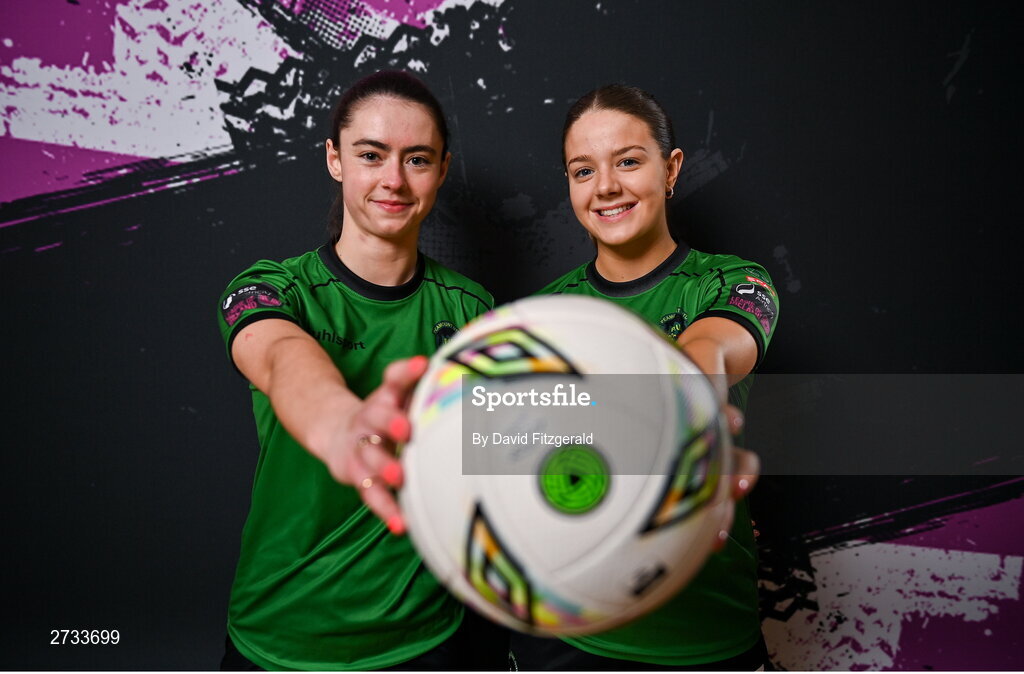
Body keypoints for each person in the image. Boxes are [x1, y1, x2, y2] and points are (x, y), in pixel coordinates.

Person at [216, 70, 506, 670]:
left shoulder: (472, 310)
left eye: (417, 159)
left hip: (436, 639)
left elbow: (506, 450)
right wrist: (341, 423)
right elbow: (277, 355)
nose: (393, 180)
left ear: (442, 169)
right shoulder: (272, 286)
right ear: (335, 159)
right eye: (371, 155)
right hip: (285, 636)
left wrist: (662, 433)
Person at [510, 84, 779, 670]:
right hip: (570, 641)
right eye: (584, 170)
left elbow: (708, 349)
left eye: (628, 161)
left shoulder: (730, 282)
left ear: (672, 168)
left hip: (705, 637)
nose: (606, 186)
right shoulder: (538, 317)